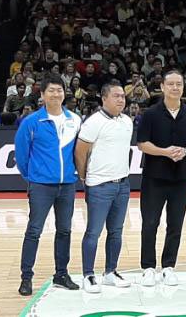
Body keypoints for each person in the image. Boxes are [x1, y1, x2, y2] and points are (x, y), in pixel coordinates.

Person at [14, 76, 82, 296]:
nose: (56, 94)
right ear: (42, 96)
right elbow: (22, 155)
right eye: (51, 90)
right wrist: (33, 177)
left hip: (67, 185)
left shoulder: (75, 120)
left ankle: (61, 274)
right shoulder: (31, 122)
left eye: (59, 90)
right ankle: (26, 277)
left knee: (65, 230)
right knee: (34, 231)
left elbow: (79, 152)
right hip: (41, 185)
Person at [136, 70, 186, 286]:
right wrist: (166, 152)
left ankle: (168, 266)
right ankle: (147, 267)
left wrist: (184, 151)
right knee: (150, 223)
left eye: (179, 84)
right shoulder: (151, 114)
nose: (175, 88)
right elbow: (142, 144)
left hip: (180, 179)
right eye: (171, 84)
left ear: (183, 88)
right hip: (154, 178)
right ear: (162, 87)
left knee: (175, 224)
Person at [74, 81, 134, 293]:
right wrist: (84, 177)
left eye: (122, 96)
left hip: (123, 185)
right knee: (93, 232)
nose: (121, 99)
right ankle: (88, 275)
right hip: (99, 185)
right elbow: (80, 152)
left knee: (116, 232)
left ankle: (110, 272)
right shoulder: (93, 122)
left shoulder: (127, 121)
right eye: (116, 96)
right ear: (104, 98)